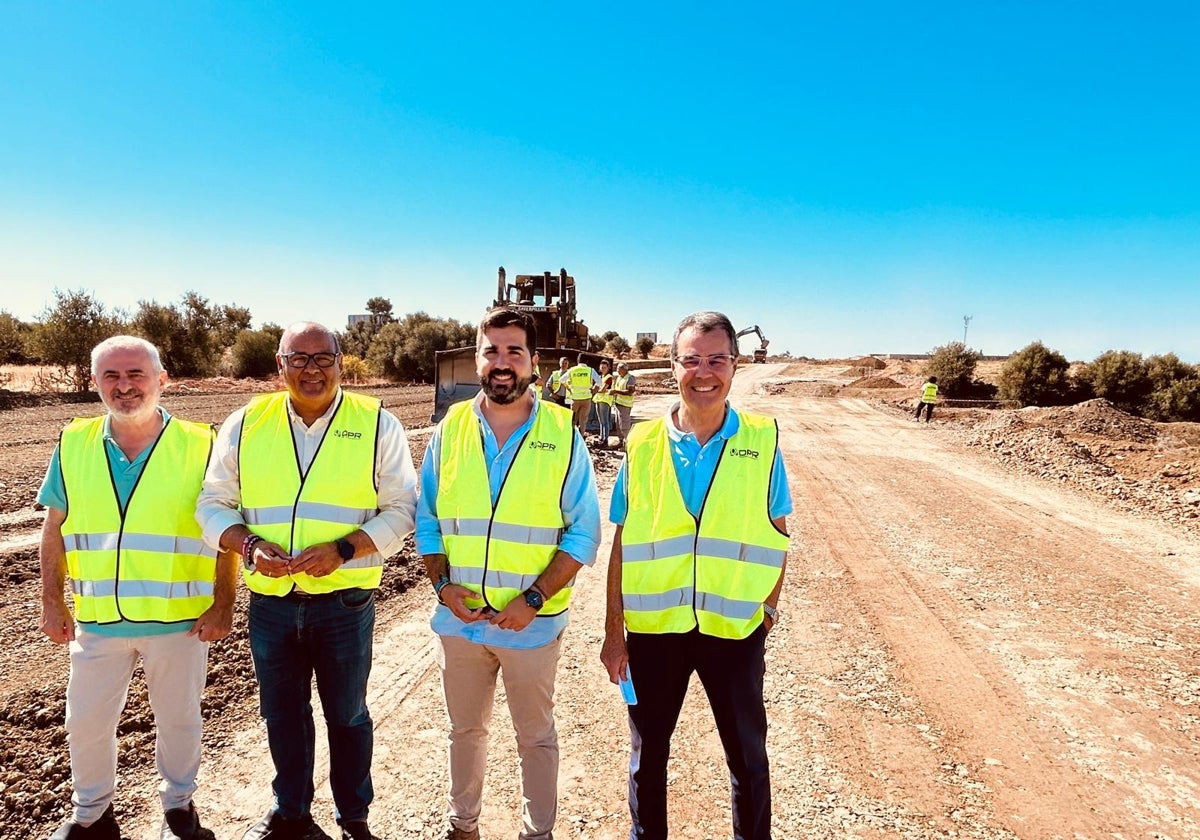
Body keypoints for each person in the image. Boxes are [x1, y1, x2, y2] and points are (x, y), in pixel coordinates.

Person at [196, 322, 417, 840]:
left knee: (347, 715)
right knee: (283, 715)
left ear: (342, 362)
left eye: (323, 358)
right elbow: (212, 503)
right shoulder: (246, 422)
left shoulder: (377, 423)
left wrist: (344, 549)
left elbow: (403, 508)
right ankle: (290, 811)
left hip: (344, 601)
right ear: (280, 364)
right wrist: (248, 545)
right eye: (299, 359)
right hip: (271, 601)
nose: (311, 370)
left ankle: (354, 817)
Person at [601, 312, 792, 840]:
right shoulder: (640, 444)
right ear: (672, 365)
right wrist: (614, 633)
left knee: (747, 759)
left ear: (735, 365)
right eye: (691, 359)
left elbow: (778, 533)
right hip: (653, 632)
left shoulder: (763, 439)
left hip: (733, 634)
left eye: (716, 360)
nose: (703, 372)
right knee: (648, 760)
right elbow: (623, 540)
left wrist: (767, 610)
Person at [38, 335, 236, 840]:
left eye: (135, 375)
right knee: (84, 724)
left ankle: (179, 809)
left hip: (179, 621)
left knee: (178, 722)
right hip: (98, 620)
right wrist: (52, 599)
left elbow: (226, 528)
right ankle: (93, 815)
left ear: (162, 380)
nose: (124, 386)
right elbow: (54, 528)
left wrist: (223, 603)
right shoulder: (73, 442)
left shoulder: (202, 445)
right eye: (111, 376)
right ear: (96, 381)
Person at [417, 306, 601, 840]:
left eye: (513, 351)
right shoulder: (448, 431)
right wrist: (442, 586)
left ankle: (537, 833)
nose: (501, 363)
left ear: (533, 362)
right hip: (460, 624)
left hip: (532, 626)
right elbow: (427, 520)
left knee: (535, 737)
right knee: (465, 732)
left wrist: (535, 600)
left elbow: (583, 534)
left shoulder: (564, 435)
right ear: (477, 358)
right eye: (491, 351)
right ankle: (463, 826)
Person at [565, 358, 599, 437]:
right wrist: (594, 389)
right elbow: (599, 381)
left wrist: (569, 388)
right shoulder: (590, 370)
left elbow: (562, 380)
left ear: (577, 361)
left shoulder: (572, 370)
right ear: (587, 361)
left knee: (573, 419)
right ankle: (581, 437)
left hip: (575, 398)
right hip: (586, 398)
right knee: (583, 420)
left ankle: (572, 436)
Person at [611, 362, 637, 447]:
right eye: (617, 369)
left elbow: (630, 391)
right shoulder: (619, 378)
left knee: (625, 426)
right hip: (618, 404)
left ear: (625, 369)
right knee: (618, 425)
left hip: (625, 405)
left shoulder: (630, 378)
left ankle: (628, 444)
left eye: (619, 369)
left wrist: (616, 391)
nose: (618, 371)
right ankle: (621, 442)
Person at [593, 359, 615, 448]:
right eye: (602, 367)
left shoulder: (609, 377)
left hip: (605, 400)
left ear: (608, 368)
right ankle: (602, 437)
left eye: (605, 367)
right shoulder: (601, 377)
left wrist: (596, 390)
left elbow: (602, 389)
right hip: (598, 399)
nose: (603, 369)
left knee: (605, 421)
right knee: (601, 421)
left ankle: (605, 439)